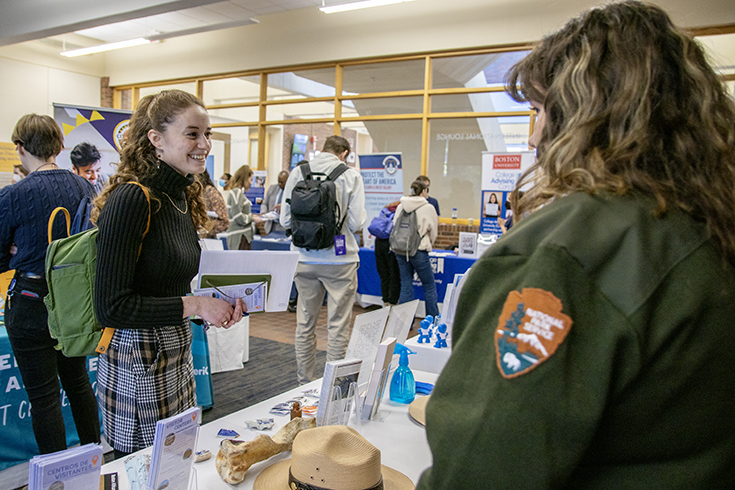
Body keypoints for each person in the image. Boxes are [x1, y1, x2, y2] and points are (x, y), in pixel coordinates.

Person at [417, 2, 735, 488]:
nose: (533, 135)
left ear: (586, 113)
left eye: (541, 110)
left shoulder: (567, 251)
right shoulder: (709, 231)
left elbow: (482, 468)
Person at [92, 89, 245, 457]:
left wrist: (213, 307)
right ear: (156, 140)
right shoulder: (132, 199)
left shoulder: (181, 195)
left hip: (175, 348)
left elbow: (168, 284)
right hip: (138, 360)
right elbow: (111, 307)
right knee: (145, 467)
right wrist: (194, 306)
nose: (204, 144)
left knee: (176, 462)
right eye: (192, 133)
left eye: (207, 134)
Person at [0, 114, 100, 454]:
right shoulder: (85, 187)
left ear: (20, 148)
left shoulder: (13, 195)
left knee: (43, 399)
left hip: (30, 301)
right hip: (75, 302)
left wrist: (16, 253)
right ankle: (94, 464)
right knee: (79, 384)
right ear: (59, 147)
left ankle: (57, 480)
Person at [280, 135, 366, 385]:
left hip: (303, 258)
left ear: (323, 150)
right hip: (340, 261)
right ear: (345, 154)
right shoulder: (350, 176)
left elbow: (286, 221)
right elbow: (357, 223)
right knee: (338, 326)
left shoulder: (299, 172)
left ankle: (304, 383)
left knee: (305, 324)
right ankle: (333, 386)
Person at [393, 180, 439, 317]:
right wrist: (428, 243)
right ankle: (432, 321)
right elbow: (433, 231)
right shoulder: (428, 207)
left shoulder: (401, 206)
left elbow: (395, 225)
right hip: (419, 250)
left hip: (401, 250)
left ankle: (406, 323)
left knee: (406, 284)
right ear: (423, 191)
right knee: (429, 286)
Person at [222, 165, 263, 250]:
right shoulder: (236, 192)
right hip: (239, 237)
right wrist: (252, 218)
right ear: (245, 178)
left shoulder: (239, 193)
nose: (251, 183)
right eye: (250, 180)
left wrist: (252, 217)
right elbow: (238, 217)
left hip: (242, 237)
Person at [374, 201, 401, 305]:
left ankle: (385, 301)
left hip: (378, 242)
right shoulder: (401, 211)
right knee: (394, 275)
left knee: (384, 275)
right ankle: (393, 302)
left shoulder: (385, 210)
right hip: (391, 244)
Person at [196, 171, 229, 239]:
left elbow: (224, 222)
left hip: (207, 239)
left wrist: (204, 228)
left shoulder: (210, 192)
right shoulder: (197, 192)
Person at [262, 170, 289, 235]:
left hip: (284, 228)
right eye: (278, 181)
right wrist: (263, 212)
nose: (279, 184)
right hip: (271, 226)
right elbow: (264, 203)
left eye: (282, 182)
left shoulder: (291, 191)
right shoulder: (272, 188)